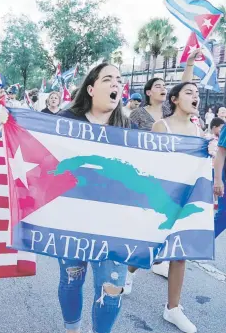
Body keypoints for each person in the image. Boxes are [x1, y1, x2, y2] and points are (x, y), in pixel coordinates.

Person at [56, 63, 131, 333]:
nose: (115, 84)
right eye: (108, 79)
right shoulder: (66, 120)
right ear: (90, 88)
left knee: (112, 289)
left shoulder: (127, 128)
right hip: (72, 220)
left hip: (114, 225)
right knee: (72, 280)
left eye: (119, 81)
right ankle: (72, 329)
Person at [146, 82, 202, 333]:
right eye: (189, 93)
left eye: (197, 94)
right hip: (160, 197)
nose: (195, 97)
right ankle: (129, 272)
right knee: (151, 246)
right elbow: (149, 161)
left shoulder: (199, 131)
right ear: (175, 99)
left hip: (186, 198)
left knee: (180, 253)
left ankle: (173, 308)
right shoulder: (162, 126)